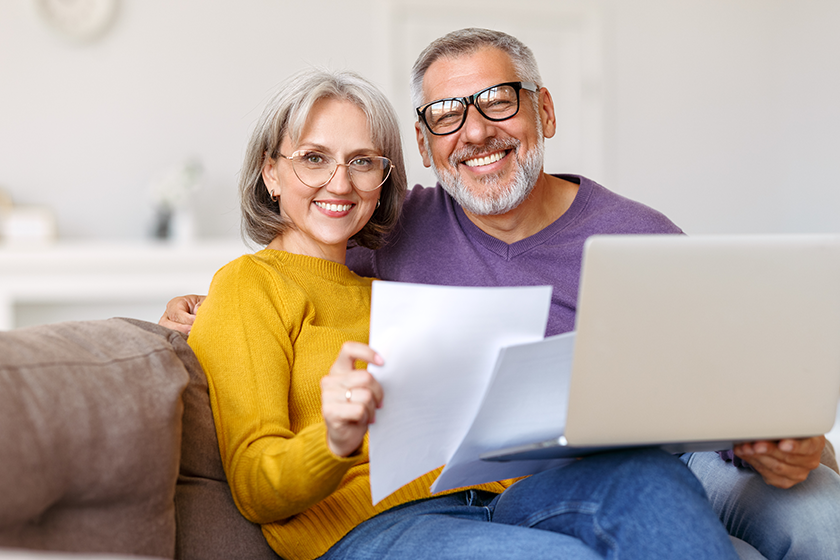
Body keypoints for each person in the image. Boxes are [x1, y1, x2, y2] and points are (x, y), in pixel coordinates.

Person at [163, 29, 840, 559]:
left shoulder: (636, 234)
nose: (476, 131)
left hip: (582, 474)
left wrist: (798, 442)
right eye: (447, 114)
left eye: (498, 101)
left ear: (543, 110)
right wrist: (208, 312)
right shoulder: (364, 249)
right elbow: (277, 284)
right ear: (424, 145)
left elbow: (740, 383)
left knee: (760, 503)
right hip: (395, 520)